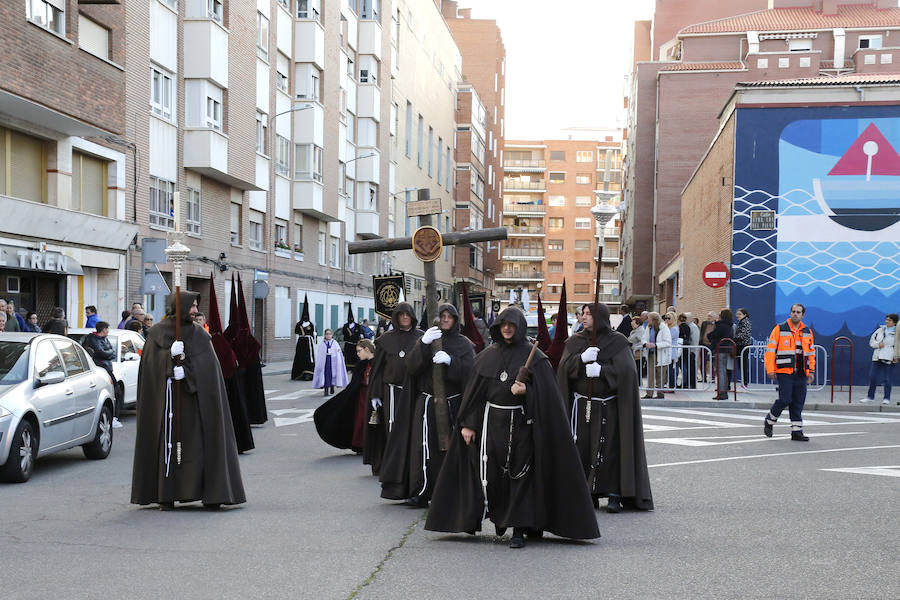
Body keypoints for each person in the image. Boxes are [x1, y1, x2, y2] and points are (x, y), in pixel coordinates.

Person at [424, 307, 600, 549]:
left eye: (511, 324)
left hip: (521, 425)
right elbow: (475, 394)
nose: (507, 328)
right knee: (493, 476)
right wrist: (468, 424)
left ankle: (519, 528)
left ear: (518, 327)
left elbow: (549, 397)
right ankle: (499, 518)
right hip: (490, 423)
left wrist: (528, 391)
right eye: (503, 324)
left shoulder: (535, 357)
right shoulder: (487, 355)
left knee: (520, 475)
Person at [131, 291, 246, 510]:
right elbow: (148, 371)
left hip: (195, 406)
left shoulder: (200, 335)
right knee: (166, 448)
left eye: (195, 306)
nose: (194, 311)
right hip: (167, 405)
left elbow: (211, 372)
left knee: (200, 449)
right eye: (191, 306)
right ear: (179, 307)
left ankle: (210, 494)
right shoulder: (156, 334)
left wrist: (189, 373)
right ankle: (165, 494)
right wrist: (167, 360)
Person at [557, 303, 654, 513]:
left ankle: (613, 493)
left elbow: (628, 372)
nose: (584, 317)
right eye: (582, 314)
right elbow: (563, 369)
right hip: (581, 406)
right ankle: (587, 493)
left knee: (608, 448)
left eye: (588, 314)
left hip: (608, 406)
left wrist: (603, 370)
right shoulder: (575, 341)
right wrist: (579, 360)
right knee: (582, 448)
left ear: (599, 317)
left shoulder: (617, 341)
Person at [395, 304, 476, 507]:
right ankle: (422, 490)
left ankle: (450, 492)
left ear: (456, 320)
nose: (446, 319)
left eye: (450, 316)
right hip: (427, 403)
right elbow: (411, 367)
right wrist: (423, 343)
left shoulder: (464, 344)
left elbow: (471, 373)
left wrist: (452, 362)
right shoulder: (426, 339)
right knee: (423, 447)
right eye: (442, 316)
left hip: (452, 403)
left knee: (450, 449)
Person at [365, 303, 422, 476]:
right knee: (392, 428)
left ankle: (410, 466)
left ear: (412, 316)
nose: (405, 317)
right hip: (392, 392)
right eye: (401, 314)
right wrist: (375, 393)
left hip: (413, 391)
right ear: (396, 317)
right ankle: (392, 466)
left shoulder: (421, 337)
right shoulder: (385, 340)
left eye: (408, 314)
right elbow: (377, 370)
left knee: (413, 428)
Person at [763, 303, 816, 441]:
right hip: (784, 371)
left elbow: (811, 353)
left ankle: (796, 431)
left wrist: (811, 371)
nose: (795, 314)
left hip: (801, 373)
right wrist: (770, 369)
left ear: (803, 315)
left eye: (798, 312)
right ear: (790, 313)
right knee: (785, 399)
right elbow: (770, 351)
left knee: (798, 402)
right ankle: (770, 420)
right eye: (793, 311)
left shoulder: (807, 331)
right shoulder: (780, 329)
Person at [314, 339, 376, 453]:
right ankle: (360, 444)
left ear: (367, 349)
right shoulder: (360, 365)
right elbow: (355, 384)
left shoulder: (378, 363)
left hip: (375, 395)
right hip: (362, 396)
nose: (357, 354)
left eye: (359, 351)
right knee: (360, 420)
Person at [82, 321, 124, 429]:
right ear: (103, 329)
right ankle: (110, 418)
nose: (108, 331)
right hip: (101, 369)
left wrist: (108, 353)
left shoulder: (105, 339)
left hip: (108, 368)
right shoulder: (92, 339)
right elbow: (101, 353)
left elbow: (112, 352)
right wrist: (107, 353)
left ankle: (115, 417)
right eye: (108, 329)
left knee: (117, 392)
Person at [861, 313, 899, 405]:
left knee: (887, 379)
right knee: (873, 377)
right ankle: (870, 397)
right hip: (877, 356)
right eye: (886, 319)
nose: (887, 321)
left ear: (894, 322)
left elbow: (898, 345)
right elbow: (871, 341)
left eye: (889, 320)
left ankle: (886, 398)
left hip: (889, 357)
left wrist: (897, 356)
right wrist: (878, 345)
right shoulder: (880, 330)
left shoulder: (897, 333)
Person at [641, 312, 671, 399]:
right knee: (650, 374)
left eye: (649, 319)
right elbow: (644, 338)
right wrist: (645, 343)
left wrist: (656, 345)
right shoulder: (649, 327)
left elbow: (668, 342)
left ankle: (660, 394)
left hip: (661, 354)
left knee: (660, 375)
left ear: (654, 320)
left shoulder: (664, 328)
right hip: (651, 354)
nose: (647, 320)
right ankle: (649, 394)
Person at [707, 309, 735, 400]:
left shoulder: (721, 326)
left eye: (720, 315)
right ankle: (724, 391)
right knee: (723, 371)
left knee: (720, 371)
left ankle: (722, 392)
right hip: (726, 349)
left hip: (720, 350)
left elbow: (711, 335)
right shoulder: (730, 326)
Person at [313, 329, 347, 396]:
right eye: (327, 334)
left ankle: (332, 386)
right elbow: (320, 354)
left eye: (329, 334)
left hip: (333, 361)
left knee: (332, 374)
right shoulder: (323, 344)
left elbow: (338, 353)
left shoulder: (335, 343)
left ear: (332, 335)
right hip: (325, 362)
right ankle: (326, 389)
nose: (328, 335)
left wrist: (337, 358)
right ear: (325, 335)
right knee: (326, 375)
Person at [291, 299, 317, 381]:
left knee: (309, 357)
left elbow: (313, 333)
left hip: (308, 342)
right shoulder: (299, 324)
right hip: (301, 342)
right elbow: (296, 331)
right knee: (300, 356)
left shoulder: (311, 324)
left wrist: (314, 335)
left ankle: (309, 373)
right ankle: (300, 373)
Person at [734, 308, 753, 387]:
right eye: (737, 314)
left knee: (743, 365)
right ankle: (744, 382)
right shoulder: (741, 322)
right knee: (741, 365)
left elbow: (742, 335)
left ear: (744, 315)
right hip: (740, 346)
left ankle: (745, 383)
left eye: (739, 314)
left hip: (743, 346)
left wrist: (733, 338)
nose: (737, 315)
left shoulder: (745, 322)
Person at [678, 313, 696, 389]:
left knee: (683, 366)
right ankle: (685, 382)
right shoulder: (688, 327)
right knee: (685, 366)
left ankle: (685, 382)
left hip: (683, 348)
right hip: (686, 348)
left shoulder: (681, 327)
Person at [664, 312, 681, 391]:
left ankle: (671, 387)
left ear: (673, 319)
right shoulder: (667, 327)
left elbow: (667, 338)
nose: (666, 319)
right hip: (666, 352)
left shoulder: (674, 329)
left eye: (669, 318)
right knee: (668, 370)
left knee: (671, 370)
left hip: (671, 352)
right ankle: (668, 385)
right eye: (666, 318)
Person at [699, 311, 717, 382]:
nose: (708, 317)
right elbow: (701, 333)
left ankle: (712, 378)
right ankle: (703, 378)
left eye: (710, 316)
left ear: (715, 318)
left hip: (711, 346)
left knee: (712, 361)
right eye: (708, 316)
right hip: (703, 345)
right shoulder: (704, 323)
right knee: (703, 361)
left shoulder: (717, 324)